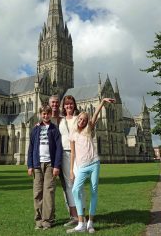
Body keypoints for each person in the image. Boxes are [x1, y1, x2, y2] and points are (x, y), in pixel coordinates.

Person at [67, 97, 115, 234]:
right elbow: (72, 153)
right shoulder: (73, 134)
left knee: (94, 192)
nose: (82, 121)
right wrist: (71, 170)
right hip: (81, 166)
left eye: (84, 120)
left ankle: (90, 223)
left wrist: (102, 102)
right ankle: (81, 222)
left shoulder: (89, 129)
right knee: (75, 190)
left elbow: (95, 115)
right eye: (80, 119)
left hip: (94, 163)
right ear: (78, 120)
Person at [27, 104, 63, 230]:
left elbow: (59, 148)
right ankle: (38, 220)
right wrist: (30, 165)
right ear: (40, 114)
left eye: (47, 113)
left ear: (50, 114)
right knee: (37, 193)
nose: (45, 115)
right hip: (37, 164)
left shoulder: (54, 129)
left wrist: (57, 165)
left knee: (48, 192)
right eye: (43, 113)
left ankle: (47, 220)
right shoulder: (35, 129)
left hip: (50, 164)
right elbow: (31, 148)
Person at [59, 95, 85, 227]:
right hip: (64, 154)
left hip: (77, 155)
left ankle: (82, 216)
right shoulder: (61, 120)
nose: (68, 106)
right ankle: (75, 216)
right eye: (66, 104)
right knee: (69, 185)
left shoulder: (77, 119)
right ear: (63, 106)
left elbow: (89, 126)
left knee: (78, 184)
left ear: (74, 105)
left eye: (71, 104)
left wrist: (102, 103)